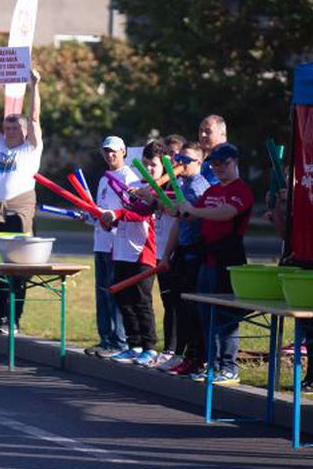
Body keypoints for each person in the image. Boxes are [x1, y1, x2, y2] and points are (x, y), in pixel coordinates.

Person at [179, 142, 254, 385]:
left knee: (227, 315)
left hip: (229, 260)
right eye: (216, 164)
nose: (219, 168)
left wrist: (194, 211)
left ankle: (228, 366)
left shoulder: (241, 190)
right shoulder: (211, 191)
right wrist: (175, 209)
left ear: (235, 162)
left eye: (224, 163)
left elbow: (227, 213)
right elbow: (190, 215)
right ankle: (212, 364)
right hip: (207, 259)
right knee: (206, 314)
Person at [0, 68, 43, 332]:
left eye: (15, 127)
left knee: (16, 268)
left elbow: (35, 116)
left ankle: (13, 319)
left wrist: (35, 85)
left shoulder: (31, 148)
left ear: (25, 130)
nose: (10, 131)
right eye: (8, 127)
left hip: (18, 211)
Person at [100, 139, 166, 366]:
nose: (148, 170)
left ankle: (149, 347)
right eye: (145, 165)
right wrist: (108, 221)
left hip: (143, 252)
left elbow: (143, 212)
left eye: (152, 165)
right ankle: (134, 344)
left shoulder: (153, 189)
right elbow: (124, 214)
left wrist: (117, 214)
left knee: (141, 300)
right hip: (121, 249)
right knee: (123, 298)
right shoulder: (129, 184)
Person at [157, 141, 211, 374]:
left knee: (193, 309)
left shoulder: (199, 186)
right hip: (183, 252)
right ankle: (188, 356)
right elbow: (178, 224)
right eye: (179, 159)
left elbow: (194, 218)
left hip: (197, 253)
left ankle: (199, 358)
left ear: (199, 162)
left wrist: (182, 211)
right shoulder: (182, 184)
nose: (180, 164)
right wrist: (167, 255)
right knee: (181, 307)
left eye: (186, 160)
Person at [87, 136, 134, 359]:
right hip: (101, 243)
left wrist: (111, 218)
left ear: (123, 151)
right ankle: (105, 338)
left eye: (114, 151)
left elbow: (132, 212)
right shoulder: (104, 179)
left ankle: (119, 341)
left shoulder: (129, 177)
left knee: (114, 294)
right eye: (106, 151)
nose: (110, 155)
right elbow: (100, 211)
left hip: (118, 245)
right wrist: (89, 216)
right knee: (101, 294)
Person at [197, 115, 227, 183]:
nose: (203, 135)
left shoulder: (226, 160)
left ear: (222, 134)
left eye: (208, 131)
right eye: (201, 131)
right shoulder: (205, 160)